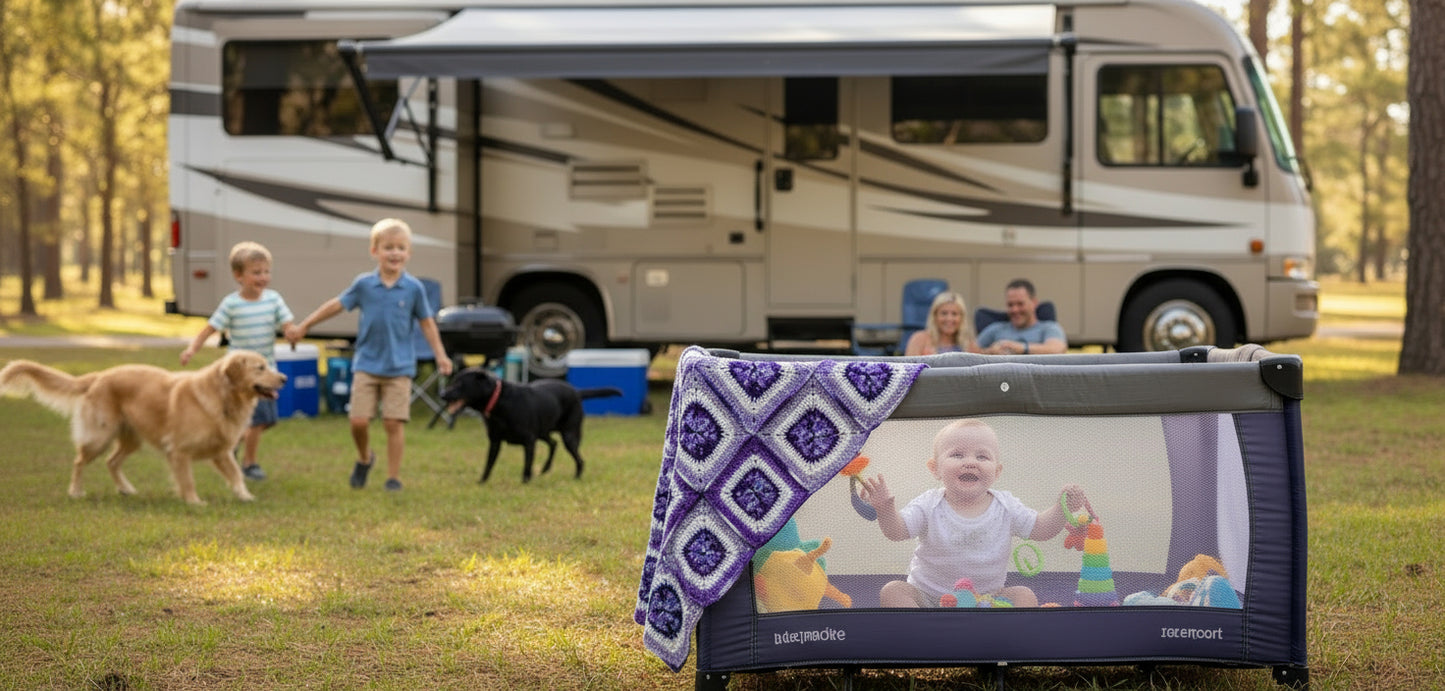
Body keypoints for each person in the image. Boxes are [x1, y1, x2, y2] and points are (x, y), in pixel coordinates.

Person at [285, 218, 452, 492]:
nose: (395, 253)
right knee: (358, 421)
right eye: (388, 247)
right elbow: (336, 305)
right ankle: (365, 458)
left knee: (393, 423)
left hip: (399, 367)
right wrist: (305, 325)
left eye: (401, 248)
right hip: (367, 364)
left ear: (408, 253)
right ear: (374, 251)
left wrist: (440, 355)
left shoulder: (413, 288)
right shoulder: (364, 285)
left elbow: (427, 323)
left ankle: (393, 478)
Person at [859, 418, 1087, 608]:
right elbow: (897, 531)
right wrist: (885, 508)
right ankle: (923, 635)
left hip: (986, 600)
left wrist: (1060, 508)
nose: (970, 463)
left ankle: (1000, 641)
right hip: (928, 599)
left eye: (982, 457)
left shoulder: (1006, 506)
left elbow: (1040, 529)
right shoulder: (929, 503)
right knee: (893, 591)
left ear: (997, 472)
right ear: (935, 468)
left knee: (1024, 596)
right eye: (957, 455)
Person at [181, 241, 294, 481]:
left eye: (266, 271)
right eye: (256, 272)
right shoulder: (232, 303)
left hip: (265, 373)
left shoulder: (273, 300)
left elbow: (287, 324)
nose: (263, 277)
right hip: (238, 376)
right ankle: (250, 463)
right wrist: (192, 348)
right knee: (252, 419)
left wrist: (292, 332)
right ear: (239, 276)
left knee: (266, 420)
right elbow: (210, 328)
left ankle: (233, 444)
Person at [977, 278, 1067, 355]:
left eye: (1020, 304)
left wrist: (1021, 348)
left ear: (1034, 303)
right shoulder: (995, 329)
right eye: (1010, 305)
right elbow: (970, 352)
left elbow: (1057, 349)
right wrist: (989, 352)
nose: (1014, 310)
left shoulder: (1049, 328)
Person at [904, 291, 977, 355]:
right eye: (944, 313)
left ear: (962, 317)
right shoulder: (919, 340)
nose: (949, 319)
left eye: (954, 314)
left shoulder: (969, 344)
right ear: (935, 316)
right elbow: (910, 369)